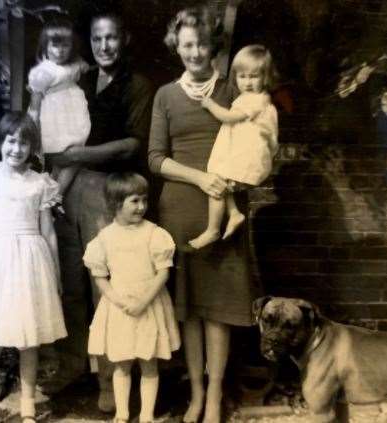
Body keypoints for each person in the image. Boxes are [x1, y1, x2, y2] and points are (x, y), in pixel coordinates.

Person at [148, 6, 258, 423]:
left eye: (201, 44)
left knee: (219, 308)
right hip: (182, 209)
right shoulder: (165, 95)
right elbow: (156, 158)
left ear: (214, 46)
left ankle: (214, 396)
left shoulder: (233, 92)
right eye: (186, 44)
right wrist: (201, 178)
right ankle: (195, 393)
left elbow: (252, 151)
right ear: (177, 47)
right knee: (190, 308)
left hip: (225, 212)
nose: (194, 52)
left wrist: (228, 183)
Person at [46, 10, 154, 413]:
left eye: (110, 38)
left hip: (108, 189)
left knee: (103, 285)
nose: (104, 46)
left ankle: (111, 378)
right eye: (96, 39)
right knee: (71, 283)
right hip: (70, 184)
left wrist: (77, 154)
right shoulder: (80, 81)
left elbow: (132, 144)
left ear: (123, 39)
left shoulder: (137, 84)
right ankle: (74, 365)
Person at [0, 112, 67, 423]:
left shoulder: (40, 184)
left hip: (32, 262)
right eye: (11, 141)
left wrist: (56, 274)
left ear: (32, 147)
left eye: (24, 142)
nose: (17, 149)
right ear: (0, 143)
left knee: (28, 338)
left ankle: (28, 403)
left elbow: (48, 233)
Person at [82, 172, 180, 423]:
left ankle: (146, 414)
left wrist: (143, 301)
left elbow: (163, 273)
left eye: (144, 200)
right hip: (120, 308)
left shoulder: (154, 234)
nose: (142, 207)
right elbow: (100, 276)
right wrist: (118, 300)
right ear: (116, 204)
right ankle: (122, 412)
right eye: (134, 201)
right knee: (122, 363)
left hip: (149, 304)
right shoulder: (105, 238)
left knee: (149, 363)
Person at [189, 45, 278, 249]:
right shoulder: (253, 99)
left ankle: (212, 230)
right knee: (221, 180)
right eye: (242, 76)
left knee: (216, 187)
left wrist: (210, 104)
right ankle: (235, 213)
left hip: (246, 158)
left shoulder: (255, 101)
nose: (247, 82)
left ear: (265, 78)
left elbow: (229, 117)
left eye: (254, 76)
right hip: (244, 154)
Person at [27, 16, 91, 203]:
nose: (60, 51)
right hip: (56, 121)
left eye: (66, 45)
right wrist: (34, 129)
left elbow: (85, 68)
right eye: (55, 45)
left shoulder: (75, 63)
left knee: (69, 159)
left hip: (74, 117)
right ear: (45, 46)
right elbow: (35, 105)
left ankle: (49, 199)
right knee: (68, 159)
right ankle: (55, 198)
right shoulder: (43, 72)